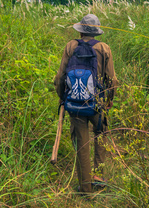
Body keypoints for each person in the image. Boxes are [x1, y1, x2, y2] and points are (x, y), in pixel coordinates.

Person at [54, 14, 118, 194]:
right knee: (101, 132)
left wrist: (62, 97)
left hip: (74, 104)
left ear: (80, 30)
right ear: (96, 31)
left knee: (81, 143)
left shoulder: (71, 46)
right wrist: (110, 98)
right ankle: (98, 175)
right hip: (97, 102)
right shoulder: (104, 48)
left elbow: (60, 77)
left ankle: (86, 188)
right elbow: (111, 79)